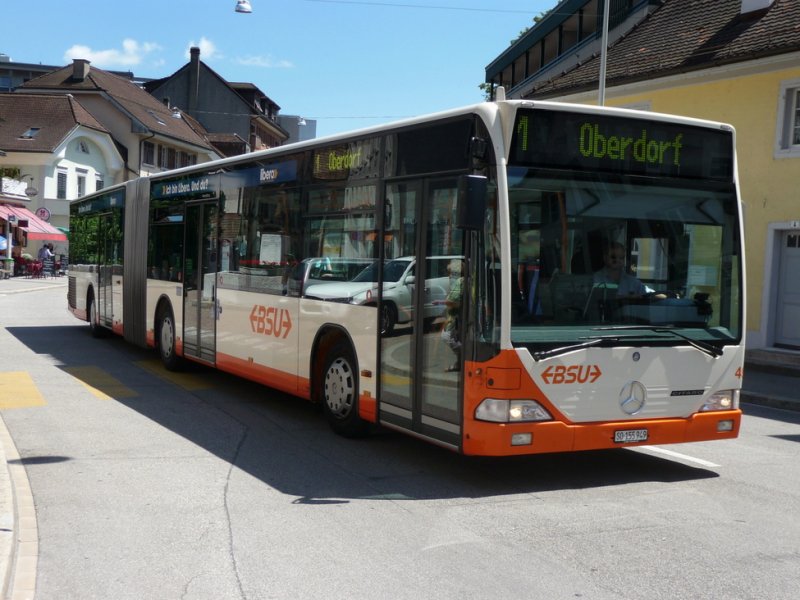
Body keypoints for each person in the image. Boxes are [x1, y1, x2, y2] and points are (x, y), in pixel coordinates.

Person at [442, 259, 464, 372]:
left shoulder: (460, 282)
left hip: (455, 319)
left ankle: (465, 355)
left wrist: (444, 302)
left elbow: (452, 301)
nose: (449, 276)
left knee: (446, 337)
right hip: (455, 319)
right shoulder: (461, 282)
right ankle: (460, 363)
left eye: (451, 273)